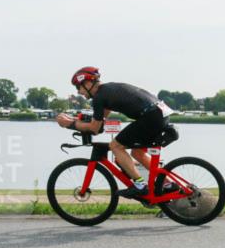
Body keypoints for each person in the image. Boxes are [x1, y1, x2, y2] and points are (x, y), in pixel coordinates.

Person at [56, 67, 172, 199]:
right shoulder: (108, 91)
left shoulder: (99, 97)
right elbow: (99, 124)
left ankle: (140, 186)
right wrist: (75, 120)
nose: (78, 91)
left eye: (78, 87)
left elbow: (94, 128)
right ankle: (167, 184)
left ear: (88, 84)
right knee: (137, 153)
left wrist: (69, 124)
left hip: (150, 116)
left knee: (115, 146)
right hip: (160, 114)